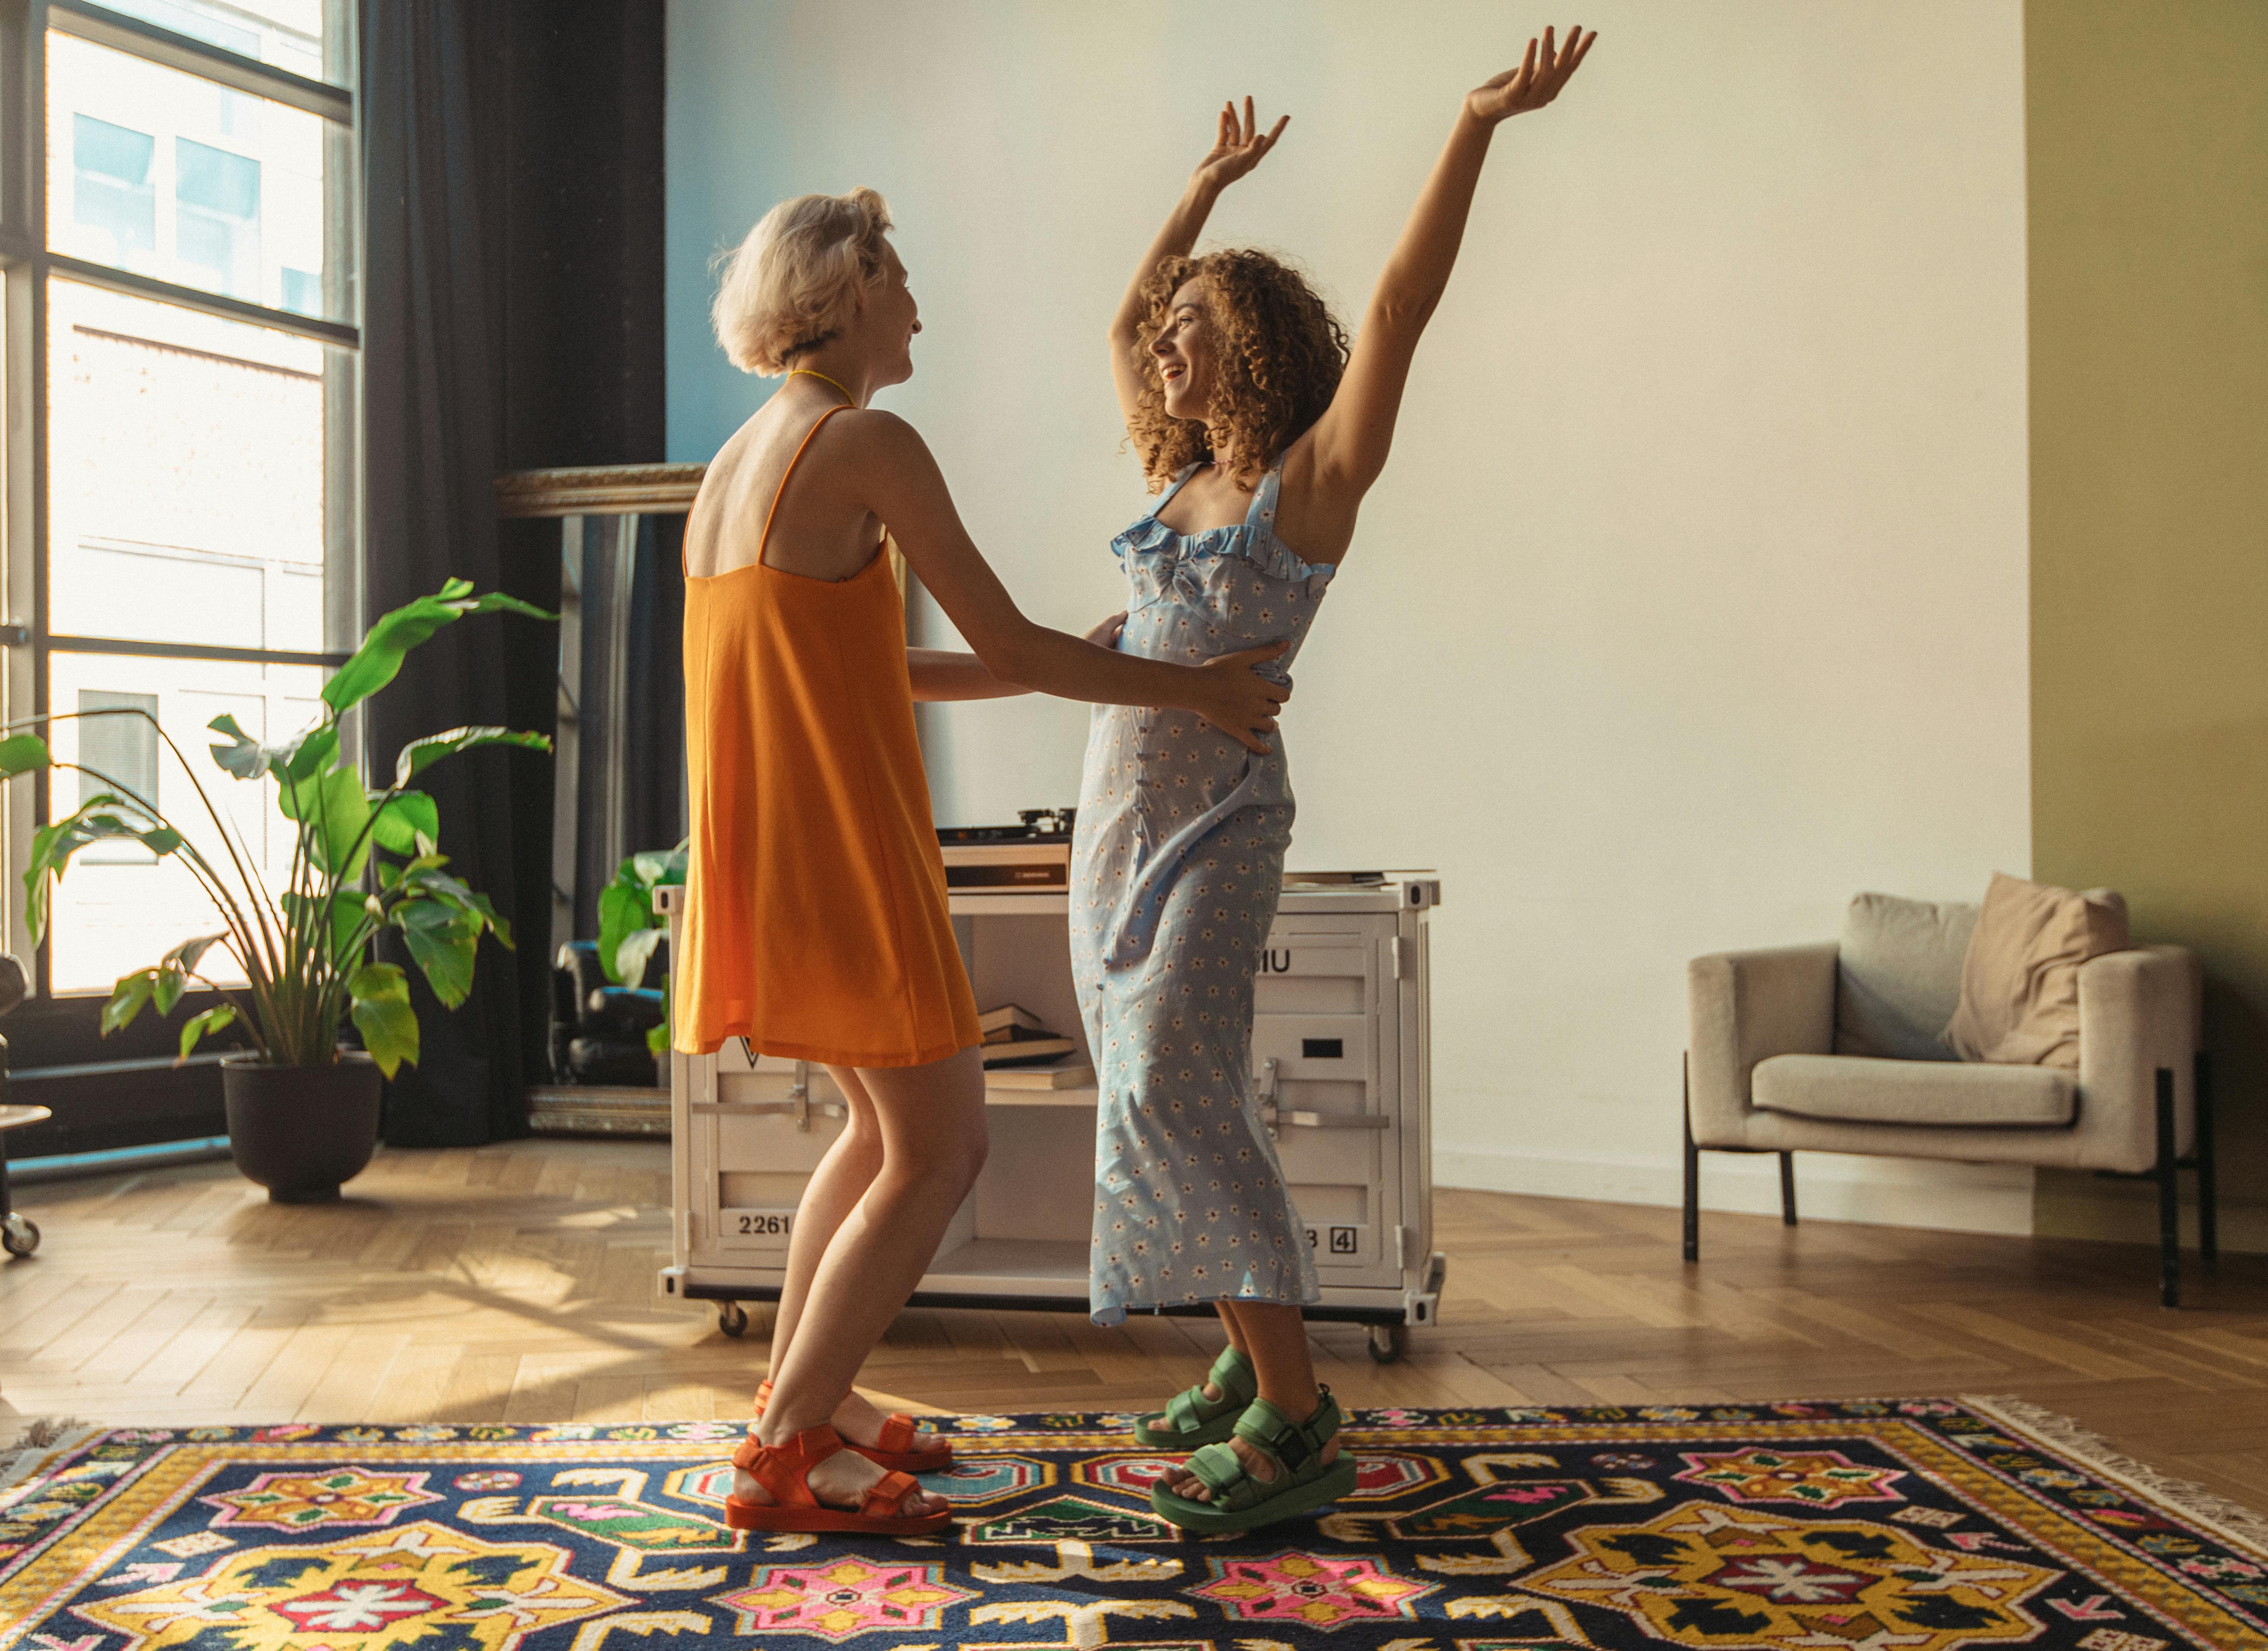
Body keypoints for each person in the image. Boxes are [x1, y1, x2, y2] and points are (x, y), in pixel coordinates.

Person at [681, 187, 1293, 1535]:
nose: (915, 300)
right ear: (841, 293)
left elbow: (871, 666)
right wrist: (1192, 691)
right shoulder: (866, 441)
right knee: (942, 1149)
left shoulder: (743, 461)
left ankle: (807, 1391)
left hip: (763, 844)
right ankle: (785, 1450)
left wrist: (1057, 675)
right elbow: (1013, 641)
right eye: (896, 274)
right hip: (839, 847)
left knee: (875, 1131)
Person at [1074, 27, 1597, 1533]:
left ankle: (1297, 1420)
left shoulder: (1308, 485)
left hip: (1219, 820)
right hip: (1119, 816)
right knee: (1153, 1097)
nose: (1163, 340)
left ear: (1249, 339)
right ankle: (1251, 1374)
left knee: (1181, 1090)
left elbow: (1399, 305)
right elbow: (1117, 315)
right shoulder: (1170, 477)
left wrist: (1475, 123)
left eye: (1191, 322)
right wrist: (1195, 191)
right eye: (1168, 324)